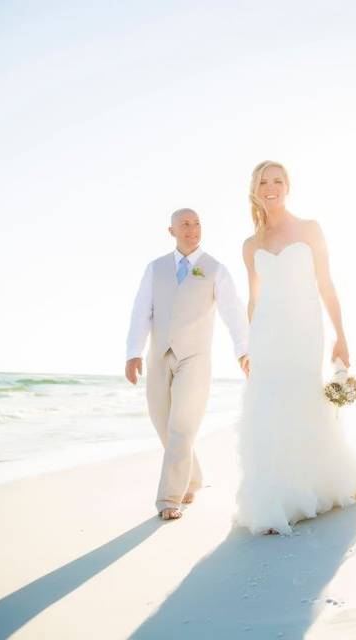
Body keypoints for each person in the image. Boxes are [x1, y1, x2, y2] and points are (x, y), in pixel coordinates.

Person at [235, 160, 356, 535]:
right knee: (266, 406)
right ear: (255, 189)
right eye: (264, 182)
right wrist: (248, 347)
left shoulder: (310, 229)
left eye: (278, 181)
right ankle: (277, 496)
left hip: (304, 329)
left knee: (301, 399)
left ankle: (315, 485)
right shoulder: (250, 245)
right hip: (266, 334)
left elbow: (326, 283)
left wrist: (341, 335)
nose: (271, 187)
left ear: (288, 186)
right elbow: (253, 299)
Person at [125, 208, 249, 521]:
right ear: (172, 231)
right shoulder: (155, 269)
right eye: (184, 225)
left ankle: (169, 498)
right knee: (161, 421)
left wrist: (243, 350)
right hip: (158, 355)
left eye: (196, 224)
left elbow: (233, 313)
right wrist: (133, 352)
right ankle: (192, 477)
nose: (192, 229)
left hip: (195, 358)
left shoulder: (215, 270)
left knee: (181, 426)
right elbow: (141, 311)